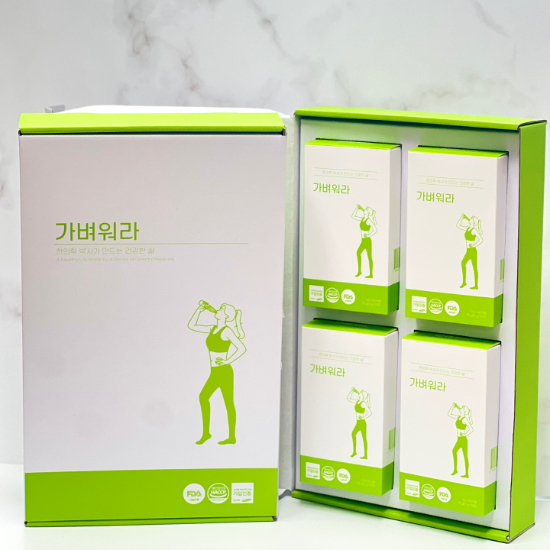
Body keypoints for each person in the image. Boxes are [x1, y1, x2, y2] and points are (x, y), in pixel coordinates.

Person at [187, 301, 246, 445]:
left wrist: (227, 361)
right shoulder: (212, 328)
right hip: (214, 371)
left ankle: (231, 437)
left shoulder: (227, 331)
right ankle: (206, 433)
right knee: (203, 397)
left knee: (228, 403)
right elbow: (192, 325)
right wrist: (200, 310)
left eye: (221, 309)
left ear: (225, 316)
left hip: (224, 372)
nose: (217, 310)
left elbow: (241, 348)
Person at [456, 214, 484, 290]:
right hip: (468, 250)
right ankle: (464, 282)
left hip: (473, 251)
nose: (470, 219)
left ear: (473, 222)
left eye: (471, 219)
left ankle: (476, 285)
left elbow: (481, 239)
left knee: (474, 267)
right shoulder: (468, 228)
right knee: (463, 263)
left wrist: (474, 245)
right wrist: (462, 218)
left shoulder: (474, 230)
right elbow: (458, 226)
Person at [448, 403, 474, 478]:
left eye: (462, 408)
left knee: (465, 456)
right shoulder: (458, 417)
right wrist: (453, 406)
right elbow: (449, 414)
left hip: (463, 439)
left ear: (464, 411)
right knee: (454, 451)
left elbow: (471, 429)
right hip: (459, 439)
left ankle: (466, 474)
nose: (461, 408)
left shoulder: (464, 419)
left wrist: (464, 434)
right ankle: (455, 470)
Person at [351, 205, 378, 278]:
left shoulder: (369, 220)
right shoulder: (362, 219)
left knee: (369, 257)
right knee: (358, 253)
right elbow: (353, 216)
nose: (364, 209)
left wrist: (369, 235)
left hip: (367, 241)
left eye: (366, 209)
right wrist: (357, 208)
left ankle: (371, 274)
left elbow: (375, 229)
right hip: (363, 240)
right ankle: (359, 271)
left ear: (368, 212)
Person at [347, 388, 372, 459]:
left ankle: (365, 455)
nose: (360, 392)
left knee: (364, 438)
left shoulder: (363, 403)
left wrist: (363, 417)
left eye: (361, 392)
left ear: (363, 396)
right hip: (358, 422)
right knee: (353, 434)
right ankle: (354, 452)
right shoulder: (357, 401)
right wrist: (352, 391)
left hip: (362, 423)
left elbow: (369, 412)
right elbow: (349, 398)